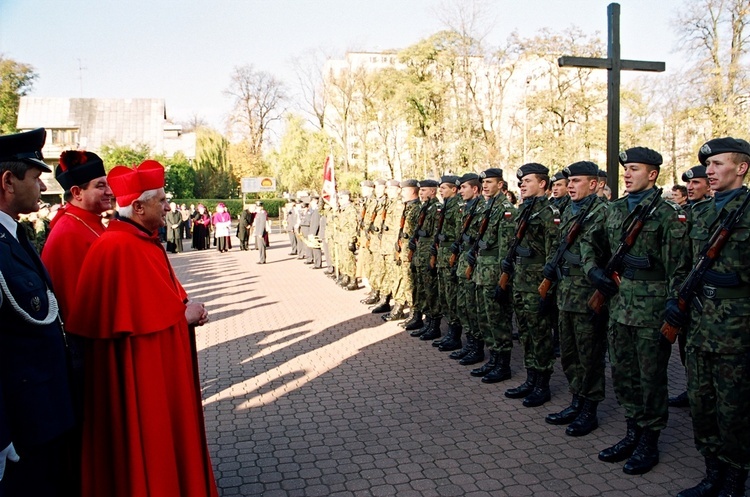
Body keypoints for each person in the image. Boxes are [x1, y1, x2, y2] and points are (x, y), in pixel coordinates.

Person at [65, 159, 218, 497]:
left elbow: (150, 310)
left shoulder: (135, 240)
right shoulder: (120, 247)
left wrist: (179, 312)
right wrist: (184, 317)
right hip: (144, 382)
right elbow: (143, 329)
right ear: (137, 206)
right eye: (160, 200)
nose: (167, 206)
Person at [587, 147, 690, 475]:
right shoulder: (613, 210)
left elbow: (679, 266)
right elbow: (589, 243)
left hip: (651, 310)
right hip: (619, 307)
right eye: (625, 170)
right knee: (623, 373)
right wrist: (594, 271)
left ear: (653, 174)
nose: (627, 175)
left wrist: (674, 304)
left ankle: (650, 440)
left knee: (651, 378)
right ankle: (632, 431)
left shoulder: (666, 214)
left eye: (634, 169)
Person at [0, 128, 76, 496]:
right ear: (8, 182)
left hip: (45, 414)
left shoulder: (15, 237)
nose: (43, 188)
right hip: (22, 426)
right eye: (36, 177)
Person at [676, 138, 750, 497]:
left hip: (737, 330)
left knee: (734, 409)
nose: (709, 170)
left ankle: (735, 481)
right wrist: (677, 298)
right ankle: (712, 474)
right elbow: (685, 264)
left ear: (741, 168)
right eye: (708, 165)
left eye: (719, 164)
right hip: (700, 325)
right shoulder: (701, 212)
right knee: (702, 404)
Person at [544, 161, 609, 437]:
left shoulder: (604, 213)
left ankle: (589, 410)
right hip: (567, 293)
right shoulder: (571, 212)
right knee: (570, 353)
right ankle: (576, 401)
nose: (570, 186)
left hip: (588, 295)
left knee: (590, 355)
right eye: (569, 182)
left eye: (577, 181)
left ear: (594, 184)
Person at [503, 163, 560, 407]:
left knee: (540, 335)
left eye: (527, 181)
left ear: (543, 184)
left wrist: (548, 291)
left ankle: (543, 384)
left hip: (537, 284)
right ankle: (530, 378)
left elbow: (554, 253)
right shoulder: (524, 210)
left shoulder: (549, 213)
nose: (522, 185)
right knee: (526, 334)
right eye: (521, 182)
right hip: (521, 281)